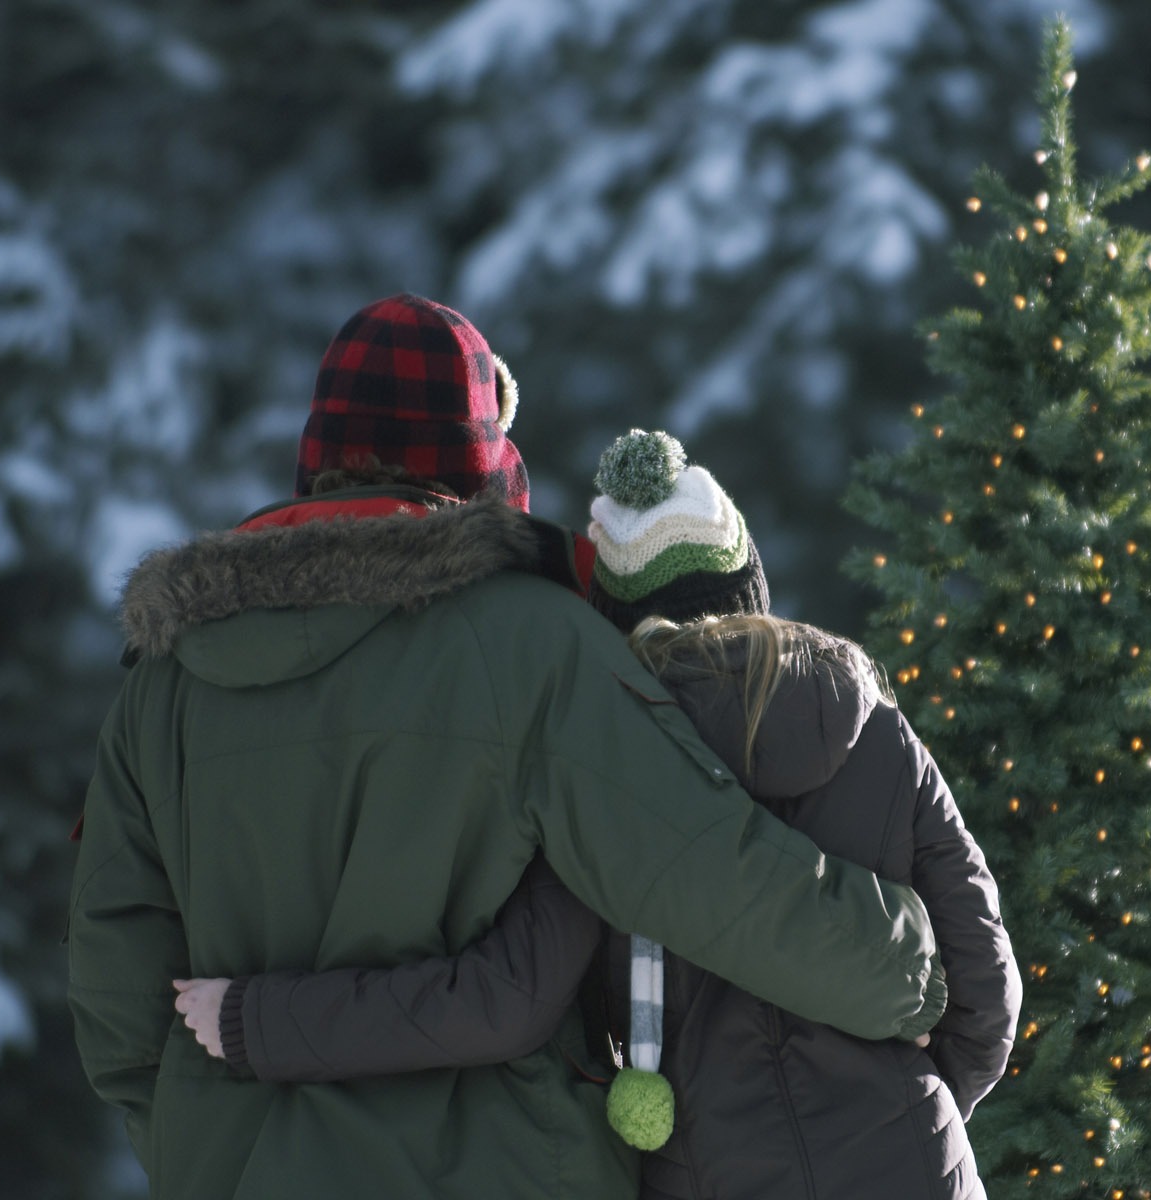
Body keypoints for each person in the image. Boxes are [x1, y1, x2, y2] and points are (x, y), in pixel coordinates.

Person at [66, 296, 949, 1200]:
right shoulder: (535, 643)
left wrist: (208, 1147)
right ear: (477, 455)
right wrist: (905, 971)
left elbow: (119, 1008)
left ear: (317, 453)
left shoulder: (164, 685)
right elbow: (700, 868)